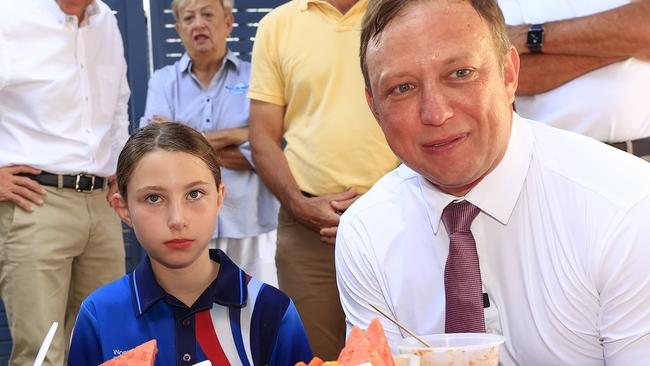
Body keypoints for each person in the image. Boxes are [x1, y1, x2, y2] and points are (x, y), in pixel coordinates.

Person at [335, 0, 650, 364]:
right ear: (375, 109)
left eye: (460, 74)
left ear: (508, 75)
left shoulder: (625, 210)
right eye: (403, 88)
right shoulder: (367, 233)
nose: (436, 113)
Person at [68, 122, 313, 366]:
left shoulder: (270, 309)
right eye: (154, 198)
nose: (177, 219)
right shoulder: (99, 314)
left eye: (194, 194)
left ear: (219, 198)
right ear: (123, 208)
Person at [247, 0, 399, 359]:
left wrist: (386, 202)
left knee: (400, 351)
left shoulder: (400, 10)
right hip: (307, 231)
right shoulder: (277, 25)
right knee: (314, 355)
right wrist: (299, 206)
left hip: (399, 221)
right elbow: (262, 138)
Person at [0, 0, 129, 364]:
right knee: (42, 354)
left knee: (105, 347)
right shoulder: (9, 16)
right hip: (34, 204)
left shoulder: (106, 22)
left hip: (102, 205)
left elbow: (118, 105)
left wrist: (120, 170)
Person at [140, 0, 280, 287]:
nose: (198, 24)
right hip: (184, 227)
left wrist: (182, 137)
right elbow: (158, 152)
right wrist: (238, 134)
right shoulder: (162, 82)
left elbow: (266, 149)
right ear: (179, 29)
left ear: (228, 22)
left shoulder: (256, 77)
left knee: (256, 315)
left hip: (249, 221)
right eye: (189, 18)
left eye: (207, 14)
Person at [499, 0, 650, 161]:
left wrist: (527, 36)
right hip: (553, 163)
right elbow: (512, 74)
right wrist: (625, 41)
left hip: (640, 158)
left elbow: (645, 25)